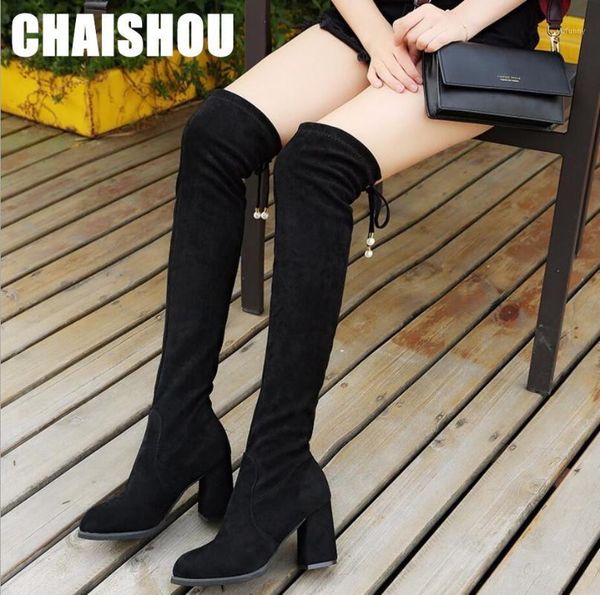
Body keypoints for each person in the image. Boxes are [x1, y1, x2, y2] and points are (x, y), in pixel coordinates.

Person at [78, 0, 545, 586]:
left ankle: (280, 469)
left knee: (316, 165)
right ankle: (179, 432)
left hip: (476, 34)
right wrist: (377, 36)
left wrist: (460, 22)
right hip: (377, 16)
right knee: (214, 135)